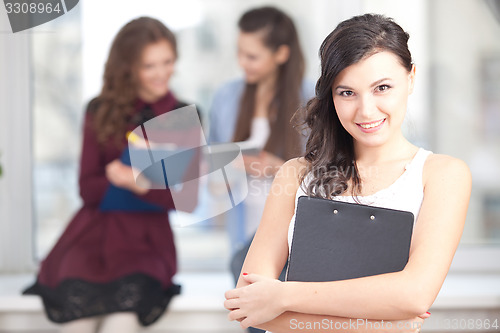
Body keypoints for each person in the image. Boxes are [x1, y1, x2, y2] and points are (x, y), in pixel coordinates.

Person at [224, 13, 472, 333]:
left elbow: (414, 295)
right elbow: (247, 304)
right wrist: (383, 326)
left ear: (411, 78)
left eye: (382, 87)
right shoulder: (296, 175)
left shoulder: (442, 175)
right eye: (347, 92)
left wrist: (283, 295)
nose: (366, 111)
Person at [23, 17, 195, 333]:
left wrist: (139, 184)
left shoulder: (183, 115)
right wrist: (121, 180)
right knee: (76, 326)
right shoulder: (99, 109)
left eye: (167, 62)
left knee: (122, 323)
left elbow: (185, 199)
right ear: (128, 67)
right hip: (92, 238)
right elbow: (87, 188)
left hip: (147, 244)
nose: (162, 73)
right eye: (149, 65)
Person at [208, 6, 314, 292]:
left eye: (252, 56)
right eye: (240, 52)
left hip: (300, 240)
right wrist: (228, 168)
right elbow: (211, 179)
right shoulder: (226, 99)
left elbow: (330, 179)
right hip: (244, 238)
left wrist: (275, 168)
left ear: (281, 53)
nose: (243, 62)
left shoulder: (313, 101)